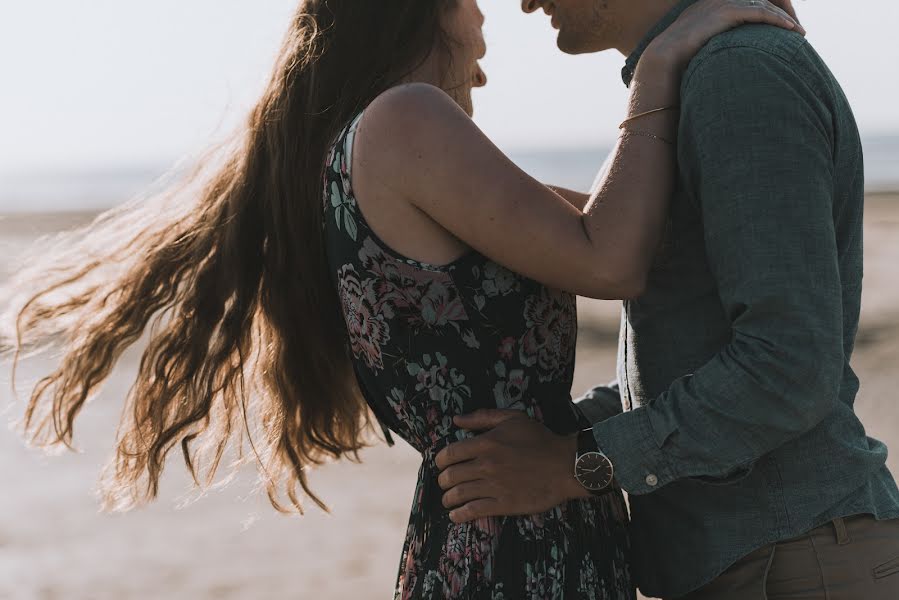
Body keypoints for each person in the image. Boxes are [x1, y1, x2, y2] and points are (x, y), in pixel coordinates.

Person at [2, 1, 802, 598]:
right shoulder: (404, 120)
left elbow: (629, 231)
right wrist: (661, 66)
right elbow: (614, 258)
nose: (494, 23)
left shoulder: (363, 145)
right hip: (512, 531)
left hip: (502, 517)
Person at [435, 0, 899, 598]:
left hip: (793, 560)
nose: (525, 2)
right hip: (769, 556)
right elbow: (694, 353)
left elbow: (788, 368)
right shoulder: (700, 76)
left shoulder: (738, 74)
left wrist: (573, 465)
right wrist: (555, 430)